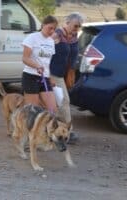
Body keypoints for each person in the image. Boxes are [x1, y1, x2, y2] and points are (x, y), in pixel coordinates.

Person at [50, 12, 84, 144]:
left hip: (66, 74)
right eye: (76, 25)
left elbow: (74, 53)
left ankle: (58, 130)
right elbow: (45, 47)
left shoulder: (74, 36)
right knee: (64, 101)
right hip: (54, 73)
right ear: (67, 22)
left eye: (79, 26)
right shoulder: (58, 34)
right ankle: (69, 131)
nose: (77, 28)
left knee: (58, 103)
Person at [21, 15, 58, 113]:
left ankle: (47, 128)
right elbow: (25, 58)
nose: (52, 31)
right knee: (33, 110)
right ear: (43, 25)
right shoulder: (32, 37)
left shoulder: (51, 42)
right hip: (31, 77)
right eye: (50, 28)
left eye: (54, 29)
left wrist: (51, 77)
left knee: (52, 109)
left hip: (44, 77)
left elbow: (48, 62)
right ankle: (26, 127)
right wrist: (37, 66)